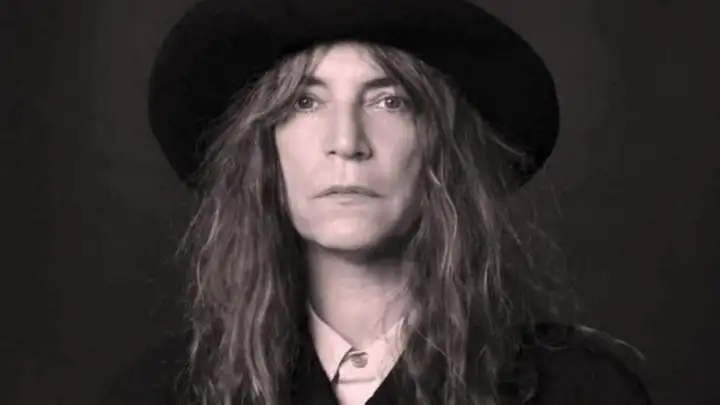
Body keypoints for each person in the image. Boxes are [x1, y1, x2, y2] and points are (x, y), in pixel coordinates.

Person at [98, 0, 654, 404]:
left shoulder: (582, 391)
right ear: (261, 148)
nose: (347, 141)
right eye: (304, 102)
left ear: (445, 150)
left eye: (390, 101)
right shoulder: (158, 394)